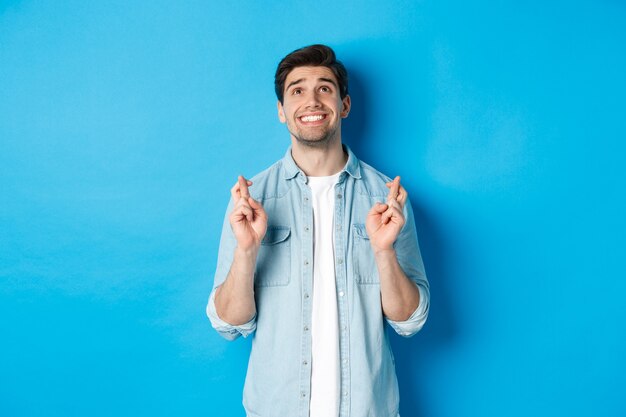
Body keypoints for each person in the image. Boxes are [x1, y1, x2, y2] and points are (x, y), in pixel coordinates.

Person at [206, 44, 430, 417]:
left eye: (324, 88)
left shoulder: (387, 199)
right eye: (297, 90)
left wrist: (384, 251)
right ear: (281, 111)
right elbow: (228, 324)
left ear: (344, 105)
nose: (311, 100)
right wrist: (246, 250)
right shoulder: (251, 200)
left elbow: (409, 321)